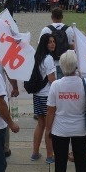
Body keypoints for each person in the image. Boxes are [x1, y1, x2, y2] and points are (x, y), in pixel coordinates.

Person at [30, 33, 57, 164]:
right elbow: (52, 79)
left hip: (37, 95)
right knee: (49, 127)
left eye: (53, 41)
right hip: (47, 96)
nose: (52, 44)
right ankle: (50, 155)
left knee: (40, 124)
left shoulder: (37, 57)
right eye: (49, 42)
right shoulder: (48, 59)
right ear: (44, 44)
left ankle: (35, 153)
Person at [39, 7, 75, 78]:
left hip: (51, 62)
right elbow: (72, 47)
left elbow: (40, 47)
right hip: (65, 62)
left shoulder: (46, 30)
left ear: (52, 17)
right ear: (62, 17)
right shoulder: (69, 29)